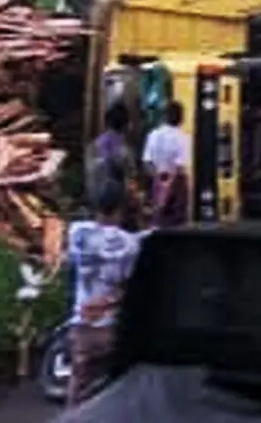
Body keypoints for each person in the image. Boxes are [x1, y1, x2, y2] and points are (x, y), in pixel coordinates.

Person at [66, 180, 140, 407]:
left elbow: (70, 264)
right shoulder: (130, 244)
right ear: (121, 208)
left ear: (95, 206)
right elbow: (127, 285)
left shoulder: (76, 232)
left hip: (81, 323)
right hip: (111, 326)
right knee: (113, 391)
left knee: (78, 384)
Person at [142, 101, 191, 227]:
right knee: (177, 224)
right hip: (176, 187)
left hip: (156, 183)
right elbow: (180, 168)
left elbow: (147, 163)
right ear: (180, 118)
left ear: (164, 116)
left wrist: (159, 182)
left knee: (157, 222)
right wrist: (169, 186)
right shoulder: (183, 138)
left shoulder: (153, 135)